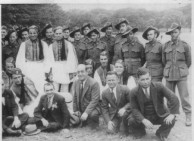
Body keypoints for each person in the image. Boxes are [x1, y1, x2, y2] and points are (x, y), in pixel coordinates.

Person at [129, 67, 180, 141]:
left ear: (150, 77)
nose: (146, 82)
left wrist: (172, 114)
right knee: (131, 120)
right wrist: (143, 120)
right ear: (138, 80)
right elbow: (134, 109)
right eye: (142, 80)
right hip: (144, 116)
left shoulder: (159, 86)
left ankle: (161, 133)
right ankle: (140, 132)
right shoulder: (133, 92)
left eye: (147, 79)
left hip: (158, 115)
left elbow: (173, 97)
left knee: (171, 120)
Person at [163, 23, 192, 126]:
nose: (173, 34)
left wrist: (182, 69)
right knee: (170, 96)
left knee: (184, 96)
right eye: (171, 33)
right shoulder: (165, 45)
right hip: (169, 74)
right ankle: (172, 114)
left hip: (181, 75)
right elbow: (163, 61)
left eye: (175, 32)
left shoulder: (185, 45)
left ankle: (188, 115)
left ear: (179, 32)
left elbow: (188, 61)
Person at [16, 25, 50, 94]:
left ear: (37, 33)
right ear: (28, 34)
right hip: (28, 68)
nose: (32, 35)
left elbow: (47, 58)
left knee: (40, 87)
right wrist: (22, 71)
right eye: (30, 33)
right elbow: (20, 59)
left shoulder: (43, 44)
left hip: (40, 68)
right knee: (29, 87)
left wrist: (46, 70)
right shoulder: (24, 44)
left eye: (34, 33)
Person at [48, 26, 78, 92]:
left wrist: (70, 72)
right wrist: (50, 72)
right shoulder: (51, 46)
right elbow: (49, 60)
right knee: (55, 87)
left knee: (65, 87)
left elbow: (71, 59)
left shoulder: (68, 45)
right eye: (57, 33)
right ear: (54, 34)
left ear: (63, 34)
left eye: (60, 33)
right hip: (55, 68)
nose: (58, 35)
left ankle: (65, 101)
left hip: (65, 68)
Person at [72, 64, 101, 129]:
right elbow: (75, 97)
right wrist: (75, 110)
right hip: (81, 108)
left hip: (92, 108)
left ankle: (94, 123)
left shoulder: (94, 83)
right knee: (72, 118)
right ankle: (82, 120)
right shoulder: (76, 82)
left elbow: (94, 100)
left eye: (82, 71)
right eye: (78, 72)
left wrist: (86, 112)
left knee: (93, 115)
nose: (80, 74)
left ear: (86, 72)